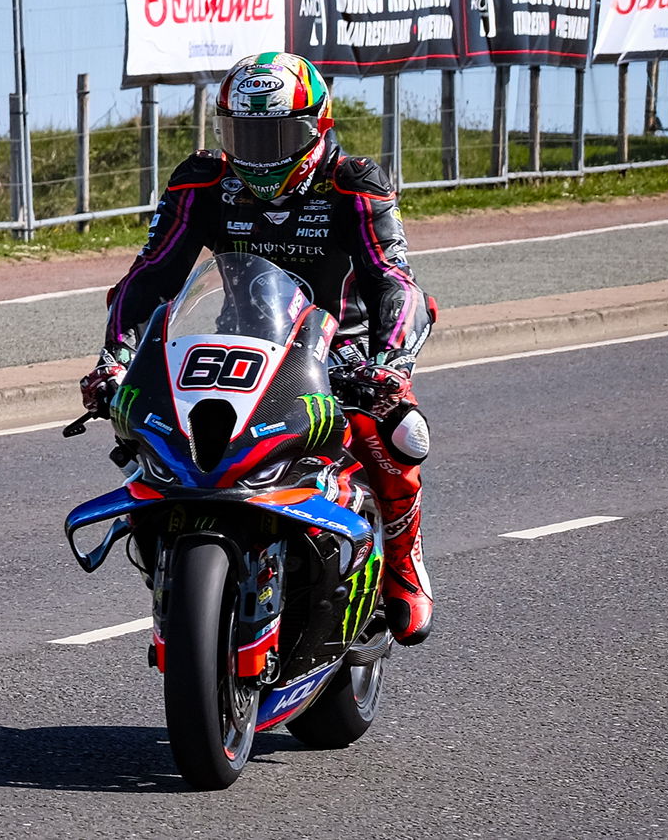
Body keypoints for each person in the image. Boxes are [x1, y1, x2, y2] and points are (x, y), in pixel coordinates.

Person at [79, 52, 436, 646]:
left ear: (317, 128)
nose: (261, 155)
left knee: (397, 432)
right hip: (235, 342)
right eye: (245, 135)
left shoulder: (354, 184)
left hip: (335, 352)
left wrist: (391, 366)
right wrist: (113, 357)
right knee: (138, 421)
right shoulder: (203, 182)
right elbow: (151, 274)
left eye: (279, 136)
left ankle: (403, 558)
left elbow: (393, 280)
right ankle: (173, 559)